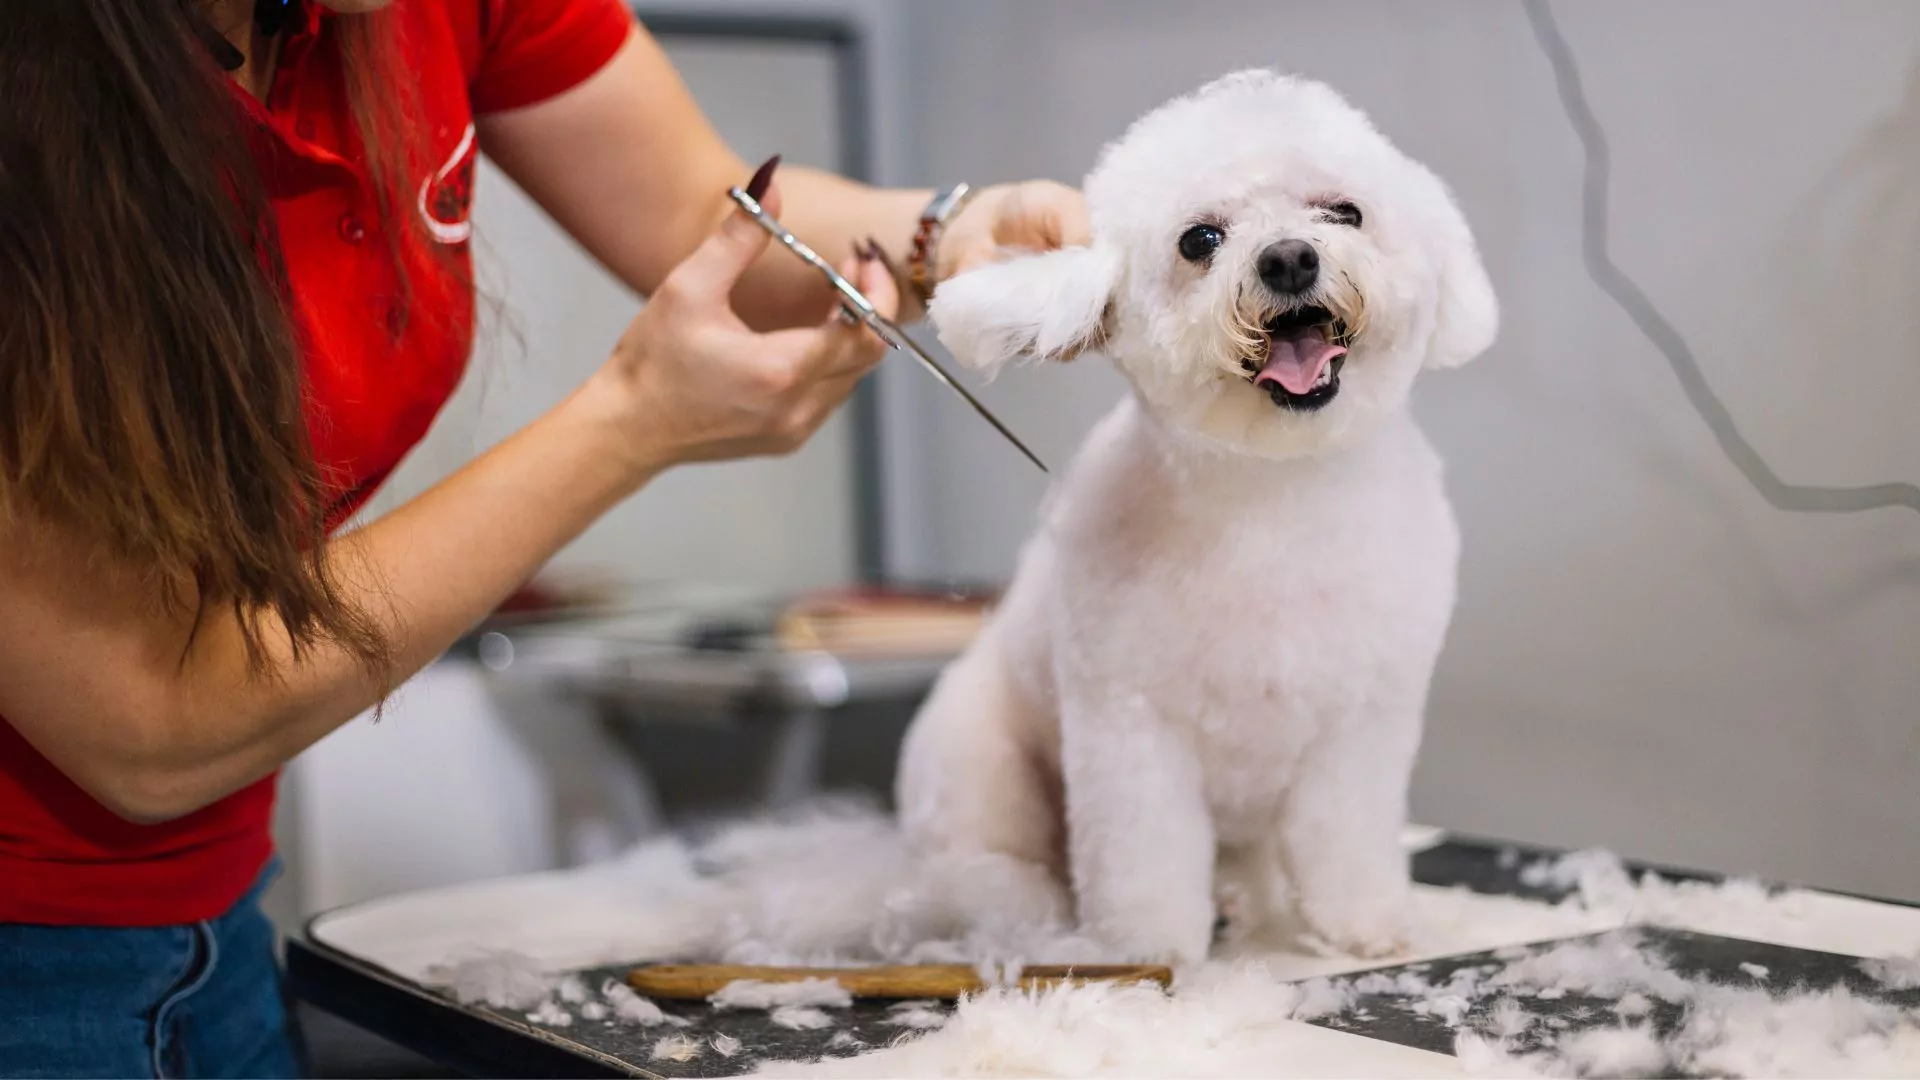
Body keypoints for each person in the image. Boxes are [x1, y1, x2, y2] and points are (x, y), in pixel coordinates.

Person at [0, 0, 1088, 1074]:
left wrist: (946, 234)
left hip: (221, 916)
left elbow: (704, 223)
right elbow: (155, 722)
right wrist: (628, 424)